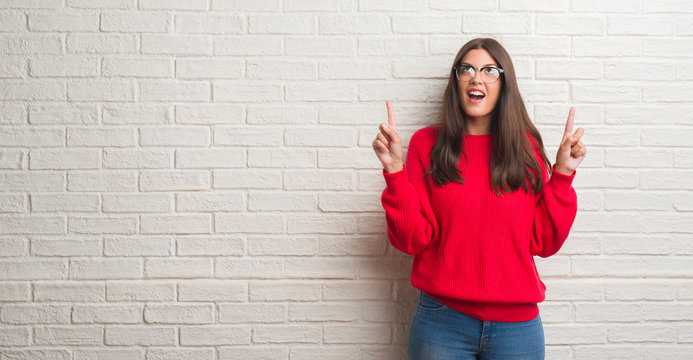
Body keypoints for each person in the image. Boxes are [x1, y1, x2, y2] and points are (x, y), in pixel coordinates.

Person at [372, 38, 586, 359]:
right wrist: (394, 172)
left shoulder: (524, 149)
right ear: (456, 81)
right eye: (467, 69)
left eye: (489, 71)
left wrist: (564, 174)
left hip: (517, 327)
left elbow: (544, 242)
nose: (477, 78)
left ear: (504, 84)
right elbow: (412, 240)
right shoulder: (425, 144)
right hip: (441, 321)